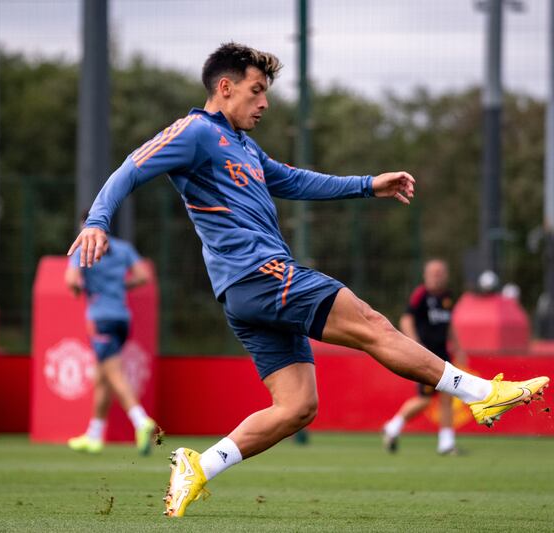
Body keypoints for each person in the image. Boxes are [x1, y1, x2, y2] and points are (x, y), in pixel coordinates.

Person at [66, 43, 549, 517]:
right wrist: (97, 220)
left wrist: (367, 185)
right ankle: (482, 395)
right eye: (256, 91)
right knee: (372, 323)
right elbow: (133, 164)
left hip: (246, 292)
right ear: (225, 87)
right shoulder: (194, 131)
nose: (265, 103)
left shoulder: (245, 146)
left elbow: (295, 181)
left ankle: (200, 465)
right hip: (259, 274)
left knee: (297, 407)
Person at [65, 213, 158, 455]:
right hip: (122, 319)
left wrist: (80, 288)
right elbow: (143, 276)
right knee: (101, 377)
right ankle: (94, 435)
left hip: (100, 320)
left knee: (113, 373)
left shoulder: (82, 249)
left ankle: (141, 421)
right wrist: (120, 287)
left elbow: (71, 281)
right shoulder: (123, 248)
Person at [383, 259, 466, 455]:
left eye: (441, 273)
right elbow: (406, 319)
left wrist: (459, 347)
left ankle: (446, 443)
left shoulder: (447, 296)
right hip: (426, 356)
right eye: (433, 273)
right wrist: (415, 345)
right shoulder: (421, 295)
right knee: (425, 399)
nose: (437, 277)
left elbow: (449, 324)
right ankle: (393, 426)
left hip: (443, 354)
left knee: (447, 397)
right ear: (426, 275)